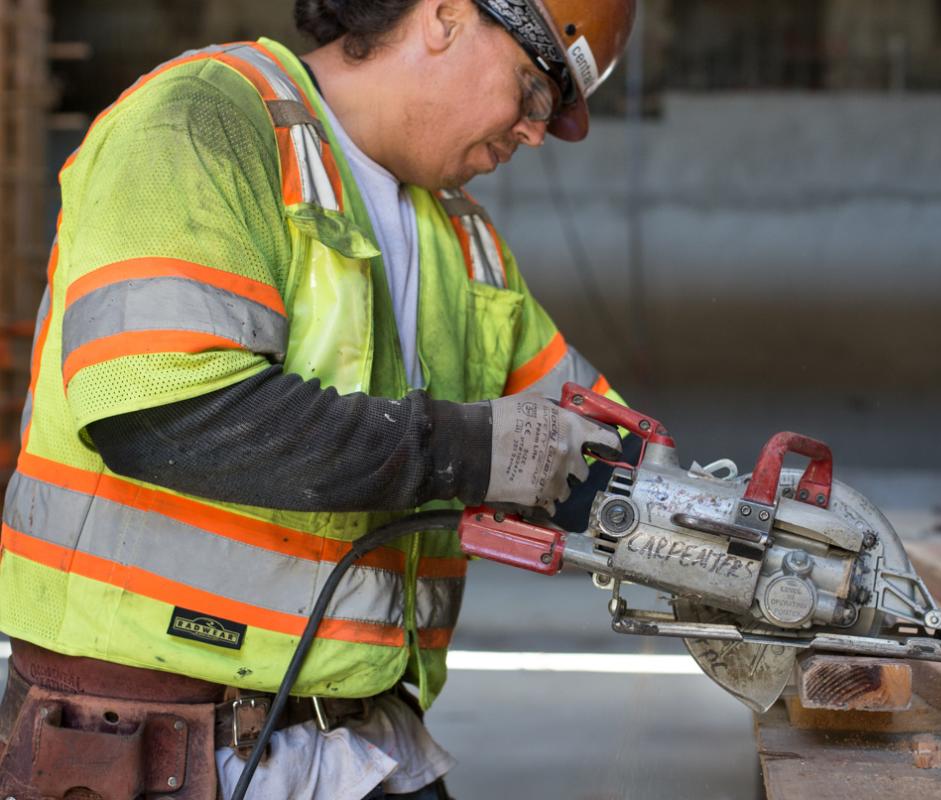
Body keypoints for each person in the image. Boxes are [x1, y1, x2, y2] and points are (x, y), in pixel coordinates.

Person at [0, 0, 637, 797]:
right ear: (443, 17)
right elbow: (158, 412)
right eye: (533, 92)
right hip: (153, 741)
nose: (536, 132)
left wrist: (717, 519)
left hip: (362, 738)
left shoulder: (463, 239)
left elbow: (584, 444)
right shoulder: (203, 121)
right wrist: (472, 453)